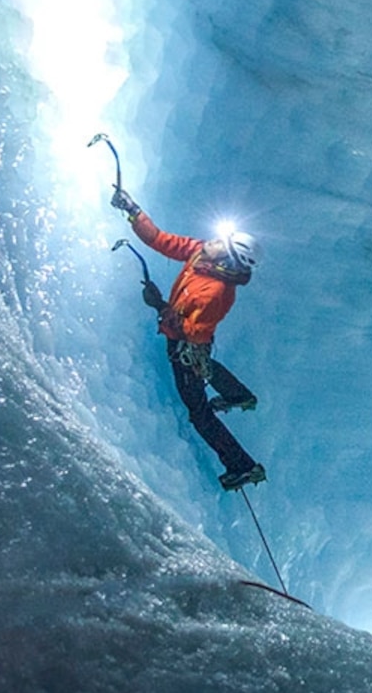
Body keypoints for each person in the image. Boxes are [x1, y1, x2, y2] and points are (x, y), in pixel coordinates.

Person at [114, 190, 266, 489]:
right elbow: (162, 240)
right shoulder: (201, 254)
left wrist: (160, 306)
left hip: (187, 348)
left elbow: (195, 332)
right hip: (192, 345)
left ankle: (243, 466)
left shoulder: (218, 293)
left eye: (222, 243)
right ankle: (238, 395)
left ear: (230, 259)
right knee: (205, 365)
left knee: (199, 412)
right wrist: (133, 211)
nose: (213, 241)